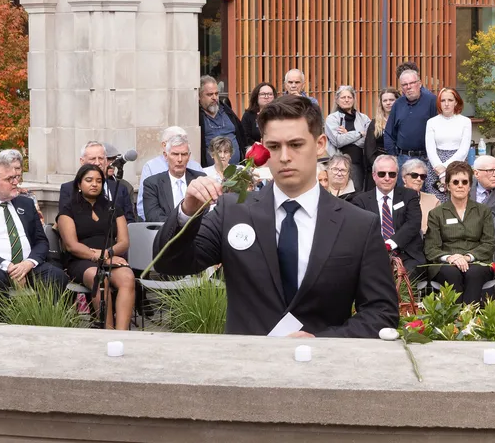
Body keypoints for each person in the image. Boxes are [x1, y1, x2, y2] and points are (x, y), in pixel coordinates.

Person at [152, 95, 399, 337]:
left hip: (321, 369)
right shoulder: (232, 211)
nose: (284, 157)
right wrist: (187, 212)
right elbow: (168, 264)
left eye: (296, 144)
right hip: (247, 367)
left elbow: (381, 312)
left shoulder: (358, 225)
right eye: (274, 146)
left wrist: (323, 341)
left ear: (320, 143)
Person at [0, 157, 68, 301]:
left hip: (28, 266)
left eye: (16, 177)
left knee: (56, 275)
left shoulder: (26, 204)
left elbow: (41, 241)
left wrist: (29, 263)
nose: (16, 182)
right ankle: (1, 323)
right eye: (9, 179)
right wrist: (7, 265)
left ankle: (44, 321)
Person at [57, 164, 136, 329]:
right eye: (89, 180)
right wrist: (99, 257)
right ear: (79, 184)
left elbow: (124, 242)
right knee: (98, 277)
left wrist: (106, 254)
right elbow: (72, 245)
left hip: (110, 257)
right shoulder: (68, 209)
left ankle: (122, 334)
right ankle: (107, 330)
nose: (94, 184)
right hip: (81, 261)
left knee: (128, 277)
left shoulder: (113, 207)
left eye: (99, 181)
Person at [424, 161, 495, 303]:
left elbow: (489, 243)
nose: (460, 185)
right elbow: (431, 248)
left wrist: (468, 257)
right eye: (455, 182)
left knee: (473, 272)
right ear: (448, 186)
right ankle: (454, 320)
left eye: (464, 182)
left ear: (470, 186)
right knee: (451, 272)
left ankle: (469, 317)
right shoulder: (436, 213)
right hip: (446, 263)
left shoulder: (483, 211)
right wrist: (451, 258)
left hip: (477, 261)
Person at [351, 155, 425, 279]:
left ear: (397, 176)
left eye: (392, 174)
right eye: (382, 174)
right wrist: (381, 248)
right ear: (374, 175)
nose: (387, 178)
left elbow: (413, 223)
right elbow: (360, 231)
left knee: (404, 276)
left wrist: (390, 244)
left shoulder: (409, 196)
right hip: (373, 255)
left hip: (406, 255)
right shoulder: (360, 201)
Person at [384, 68, 438, 193]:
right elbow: (388, 133)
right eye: (404, 85)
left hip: (426, 158)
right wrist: (394, 157)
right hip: (403, 158)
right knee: (403, 195)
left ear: (419, 83)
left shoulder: (432, 101)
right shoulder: (398, 104)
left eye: (412, 83)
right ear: (401, 88)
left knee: (425, 194)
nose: (409, 87)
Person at [136, 126, 204, 221]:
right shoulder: (152, 181)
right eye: (175, 154)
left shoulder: (199, 177)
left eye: (184, 154)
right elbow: (152, 216)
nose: (179, 159)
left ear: (188, 156)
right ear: (166, 155)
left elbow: (206, 211)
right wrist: (176, 228)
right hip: (165, 232)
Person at [59, 142, 135, 223]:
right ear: (82, 161)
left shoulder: (120, 188)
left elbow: (129, 221)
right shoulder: (68, 189)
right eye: (93, 159)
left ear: (106, 161)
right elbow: (64, 221)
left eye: (101, 158)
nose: (98, 163)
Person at [424, 87, 473, 202]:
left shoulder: (465, 121)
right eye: (443, 100)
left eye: (450, 100)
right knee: (436, 203)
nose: (446, 104)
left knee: (458, 200)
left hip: (458, 164)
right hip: (435, 166)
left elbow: (464, 149)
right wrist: (440, 172)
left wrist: (445, 168)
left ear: (456, 102)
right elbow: (430, 149)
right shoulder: (431, 122)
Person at [325, 85, 371, 192]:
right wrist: (359, 133)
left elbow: (368, 141)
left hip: (360, 164)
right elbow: (338, 141)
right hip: (338, 166)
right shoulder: (332, 119)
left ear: (354, 99)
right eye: (343, 97)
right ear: (337, 100)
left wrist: (347, 135)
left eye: (349, 97)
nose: (346, 100)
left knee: (358, 193)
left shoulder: (364, 118)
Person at [199, 76, 245, 166]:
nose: (214, 98)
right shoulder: (197, 118)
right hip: (211, 174)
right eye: (209, 94)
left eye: (216, 94)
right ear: (199, 97)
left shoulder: (227, 111)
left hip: (237, 170)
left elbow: (242, 136)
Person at [363, 88, 400, 174]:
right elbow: (369, 149)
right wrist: (378, 166)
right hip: (379, 163)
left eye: (391, 100)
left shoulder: (403, 121)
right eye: (385, 100)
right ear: (381, 103)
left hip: (399, 162)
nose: (388, 103)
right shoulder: (375, 123)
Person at [401, 158, 440, 236]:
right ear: (404, 178)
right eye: (414, 175)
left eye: (422, 176)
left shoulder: (433, 200)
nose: (419, 179)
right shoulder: (394, 198)